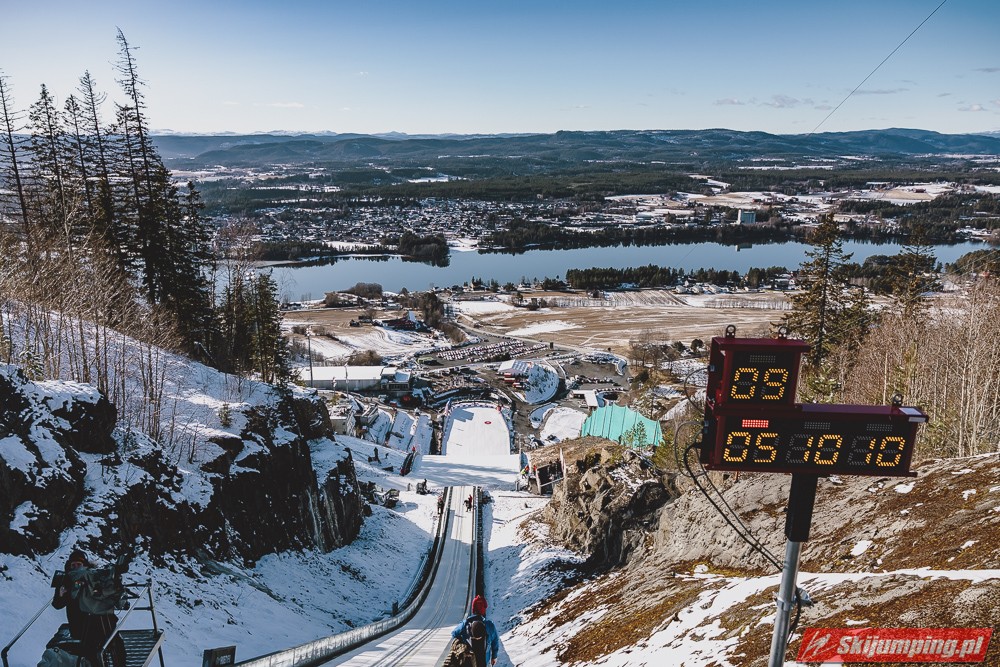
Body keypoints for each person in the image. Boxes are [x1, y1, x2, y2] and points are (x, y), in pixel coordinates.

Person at [51, 549, 125, 667]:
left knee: (105, 645)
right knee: (98, 647)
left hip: (94, 619)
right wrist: (61, 594)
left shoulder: (92, 575)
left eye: (79, 564)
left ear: (85, 564)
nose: (76, 567)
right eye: (73, 565)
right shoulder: (66, 580)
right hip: (80, 622)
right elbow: (57, 604)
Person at [449, 595, 499, 666]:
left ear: (473, 609)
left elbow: (454, 634)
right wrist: (494, 656)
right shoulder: (489, 626)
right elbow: (495, 641)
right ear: (484, 610)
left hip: (469, 662)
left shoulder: (465, 624)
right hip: (484, 661)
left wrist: (462, 642)